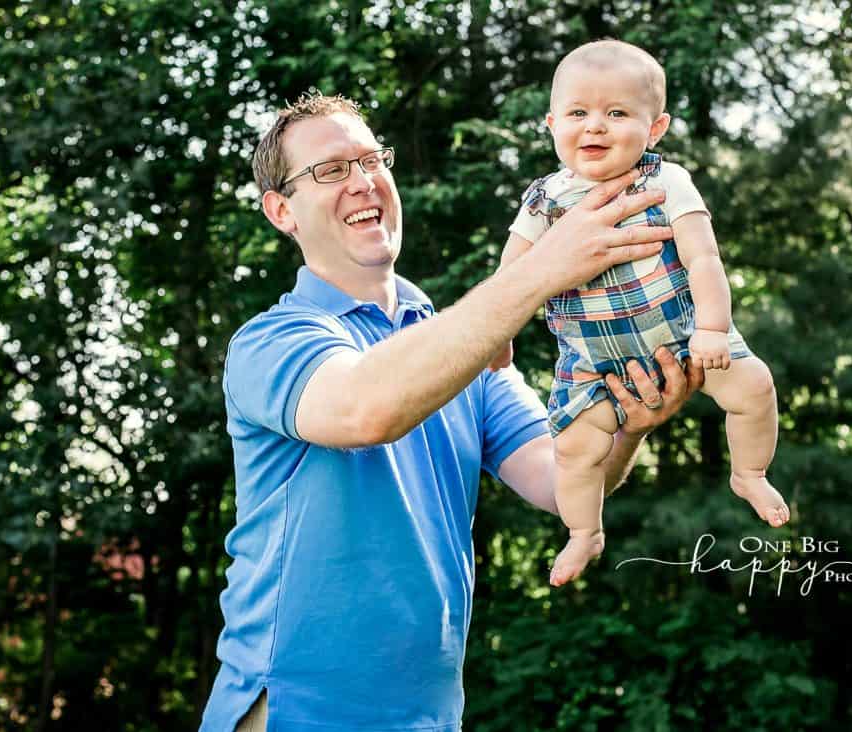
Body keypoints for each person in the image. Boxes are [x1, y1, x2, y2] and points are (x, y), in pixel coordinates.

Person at [199, 91, 705, 732]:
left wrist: (627, 422)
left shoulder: (462, 351)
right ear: (281, 211)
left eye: (370, 160)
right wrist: (542, 268)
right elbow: (365, 410)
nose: (362, 182)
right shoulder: (270, 342)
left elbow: (567, 481)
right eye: (330, 170)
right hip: (296, 714)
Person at [488, 40, 790, 588]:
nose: (595, 126)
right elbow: (510, 278)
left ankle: (749, 472)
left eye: (617, 113)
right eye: (578, 113)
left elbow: (703, 257)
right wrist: (497, 334)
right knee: (575, 450)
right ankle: (584, 532)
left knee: (755, 388)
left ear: (655, 129)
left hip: (682, 336)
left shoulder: (666, 181)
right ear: (553, 123)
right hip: (591, 362)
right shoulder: (543, 199)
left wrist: (712, 329)